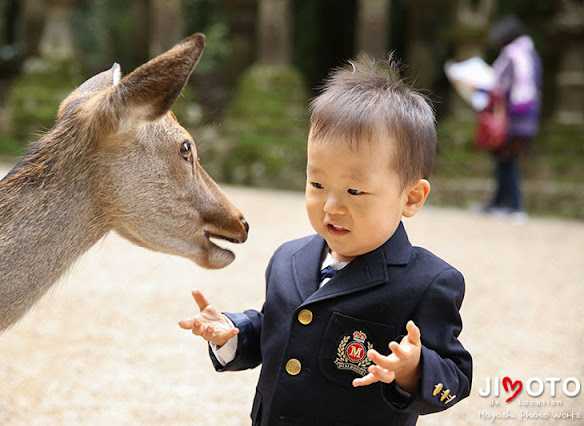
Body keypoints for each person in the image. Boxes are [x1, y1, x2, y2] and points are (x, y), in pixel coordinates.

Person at [179, 57, 472, 425]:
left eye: (355, 190)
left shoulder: (426, 283)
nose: (332, 206)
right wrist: (231, 333)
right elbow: (277, 329)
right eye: (317, 184)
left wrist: (412, 368)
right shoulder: (289, 259)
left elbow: (456, 378)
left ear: (411, 198)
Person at [481, 15, 542, 219]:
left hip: (513, 118)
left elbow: (501, 86)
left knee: (508, 159)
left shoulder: (513, 56)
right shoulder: (530, 54)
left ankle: (514, 206)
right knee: (505, 160)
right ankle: (500, 202)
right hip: (526, 117)